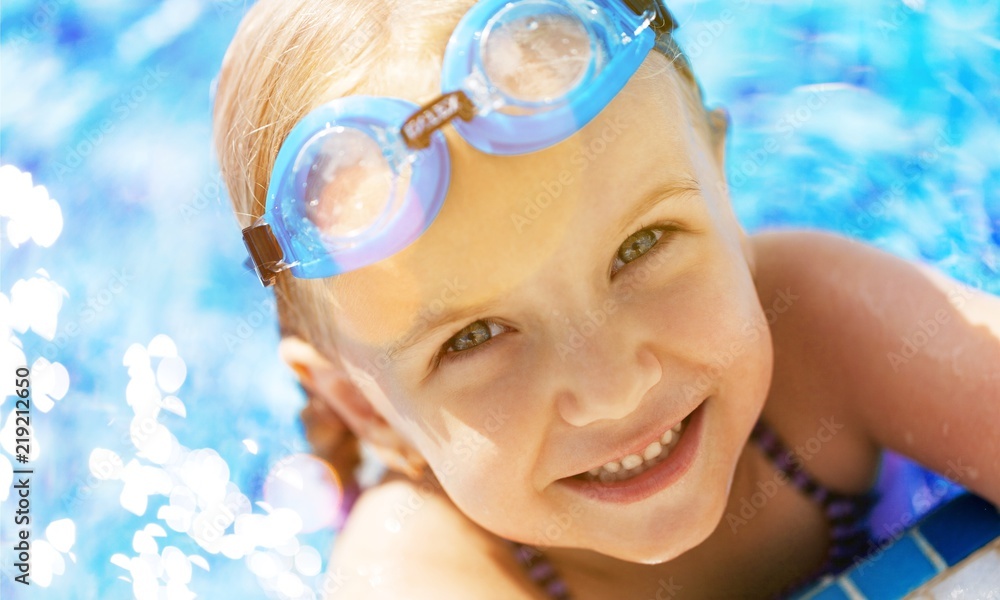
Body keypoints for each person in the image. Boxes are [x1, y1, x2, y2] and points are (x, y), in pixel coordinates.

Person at [212, 0, 1000, 597]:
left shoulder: (822, 322)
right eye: (475, 336)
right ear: (365, 407)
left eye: (640, 247)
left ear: (724, 194)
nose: (611, 388)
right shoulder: (421, 565)